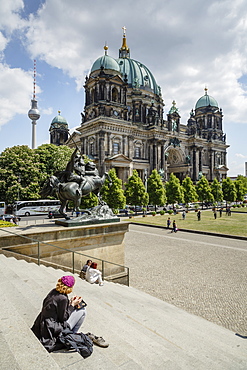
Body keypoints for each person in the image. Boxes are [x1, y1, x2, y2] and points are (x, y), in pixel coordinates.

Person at [31, 275, 86, 352]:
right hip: (52, 327)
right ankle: (71, 335)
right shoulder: (63, 298)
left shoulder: (53, 291)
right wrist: (72, 305)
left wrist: (69, 303)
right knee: (82, 311)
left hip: (43, 322)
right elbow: (63, 318)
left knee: (79, 310)